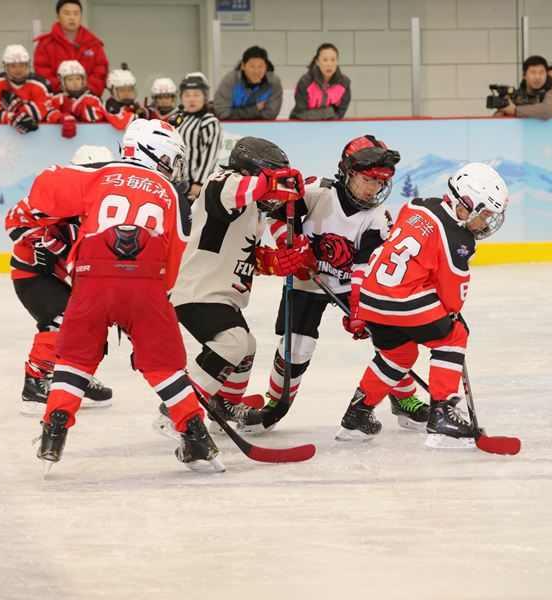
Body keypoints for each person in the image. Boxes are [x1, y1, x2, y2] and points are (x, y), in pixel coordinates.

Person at [27, 119, 226, 474]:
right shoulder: (172, 193)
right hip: (146, 283)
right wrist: (152, 301)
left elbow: (42, 192)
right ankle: (195, 435)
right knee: (163, 366)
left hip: (91, 280)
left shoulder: (99, 174)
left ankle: (54, 428)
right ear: (158, 153)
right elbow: (175, 256)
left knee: (75, 359)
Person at [234, 135, 427, 435]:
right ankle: (276, 403)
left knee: (391, 339)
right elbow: (277, 212)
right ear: (347, 171)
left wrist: (360, 308)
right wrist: (289, 241)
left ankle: (403, 398)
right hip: (305, 284)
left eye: (379, 182)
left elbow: (366, 268)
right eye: (367, 179)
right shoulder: (314, 191)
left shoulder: (376, 219)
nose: (373, 188)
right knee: (296, 348)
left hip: (349, 287)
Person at [335, 163, 509, 449]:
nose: (487, 222)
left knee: (398, 354)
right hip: (404, 300)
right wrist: (451, 315)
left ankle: (358, 413)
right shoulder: (460, 239)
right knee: (453, 336)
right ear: (466, 204)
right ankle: (443, 411)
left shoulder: (417, 205)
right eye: (486, 213)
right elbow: (452, 294)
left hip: (371, 297)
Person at [152, 137, 315, 439]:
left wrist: (276, 262)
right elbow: (236, 191)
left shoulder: (252, 209)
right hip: (198, 290)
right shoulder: (223, 181)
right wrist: (271, 181)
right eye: (268, 178)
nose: (276, 193)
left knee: (246, 347)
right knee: (233, 343)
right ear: (250, 172)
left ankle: (223, 405)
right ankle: (174, 410)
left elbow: (244, 254)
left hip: (222, 295)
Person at [5, 145, 115, 416]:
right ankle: (36, 381)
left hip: (70, 276)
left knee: (91, 325)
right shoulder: (59, 194)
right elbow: (14, 221)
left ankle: (74, 377)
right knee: (63, 322)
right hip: (35, 275)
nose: (97, 177)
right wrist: (42, 243)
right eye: (92, 171)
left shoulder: (108, 203)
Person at [33, 0, 108, 96]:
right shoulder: (45, 44)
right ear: (58, 16)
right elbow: (42, 72)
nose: (72, 17)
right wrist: (63, 89)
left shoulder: (93, 44)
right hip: (55, 101)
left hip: (88, 99)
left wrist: (86, 89)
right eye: (67, 13)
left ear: (81, 16)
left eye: (76, 13)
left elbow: (101, 71)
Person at [172, 72, 222, 203]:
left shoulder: (209, 121)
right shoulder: (179, 118)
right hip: (175, 183)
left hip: (195, 187)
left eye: (196, 95)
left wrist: (199, 182)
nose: (191, 99)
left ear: (204, 97)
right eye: (187, 95)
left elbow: (210, 155)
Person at [0, 44, 54, 134]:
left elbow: (42, 111)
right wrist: (19, 116)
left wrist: (16, 113)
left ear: (27, 65)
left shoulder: (40, 84)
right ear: (6, 67)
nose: (18, 70)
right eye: (13, 66)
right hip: (5, 134)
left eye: (22, 65)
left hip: (37, 135)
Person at [214, 45, 282, 120]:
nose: (256, 71)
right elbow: (223, 114)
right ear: (243, 66)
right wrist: (256, 109)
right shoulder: (230, 81)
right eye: (252, 66)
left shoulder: (274, 83)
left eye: (260, 67)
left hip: (262, 128)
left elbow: (270, 115)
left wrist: (236, 113)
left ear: (266, 67)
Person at [289, 42, 351, 120]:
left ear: (337, 62)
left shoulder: (344, 83)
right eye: (325, 60)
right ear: (317, 62)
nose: (329, 64)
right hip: (302, 125)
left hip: (329, 127)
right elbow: (301, 113)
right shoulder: (305, 81)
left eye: (333, 60)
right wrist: (329, 111)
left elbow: (339, 115)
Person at [493, 55, 552, 119]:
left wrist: (516, 110)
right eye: (533, 73)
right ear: (524, 75)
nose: (537, 77)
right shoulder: (515, 95)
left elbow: (548, 110)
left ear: (547, 75)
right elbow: (497, 119)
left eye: (541, 73)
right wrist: (503, 109)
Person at [51, 60, 104, 137]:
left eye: (78, 79)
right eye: (70, 79)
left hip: (90, 139)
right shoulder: (56, 99)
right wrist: (61, 117)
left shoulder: (93, 99)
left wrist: (77, 108)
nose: (75, 82)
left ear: (83, 80)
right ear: (62, 81)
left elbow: (98, 116)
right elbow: (48, 113)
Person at [101, 65, 149, 130]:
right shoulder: (110, 104)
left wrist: (143, 112)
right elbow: (120, 123)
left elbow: (143, 114)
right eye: (122, 90)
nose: (126, 93)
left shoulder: (133, 104)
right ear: (113, 91)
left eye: (129, 90)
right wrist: (139, 115)